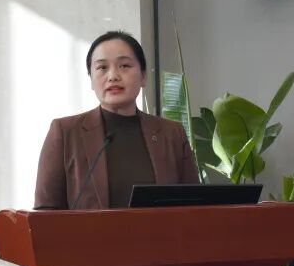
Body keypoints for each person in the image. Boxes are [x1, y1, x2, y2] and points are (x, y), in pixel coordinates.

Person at [34, 31, 199, 210]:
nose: (113, 76)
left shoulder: (171, 134)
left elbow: (193, 205)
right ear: (91, 79)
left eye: (124, 66)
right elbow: (45, 211)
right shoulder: (65, 132)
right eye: (102, 68)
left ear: (143, 76)